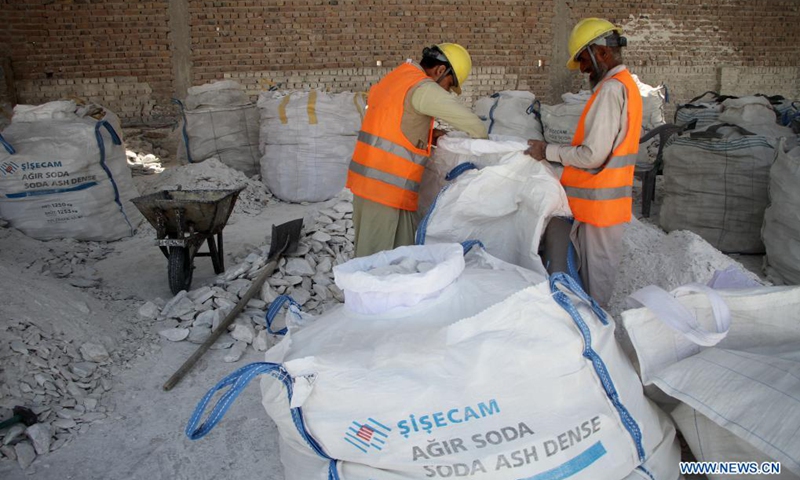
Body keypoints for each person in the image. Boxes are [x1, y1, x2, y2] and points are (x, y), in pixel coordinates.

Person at [526, 18, 643, 306]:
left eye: (583, 59)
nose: (582, 68)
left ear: (601, 52)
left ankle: (598, 333)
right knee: (594, 275)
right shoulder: (623, 86)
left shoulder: (611, 90)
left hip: (600, 205)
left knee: (597, 282)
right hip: (600, 204)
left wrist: (548, 151)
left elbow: (593, 155)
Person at [347, 43, 488, 258]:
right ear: (441, 71)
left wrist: (429, 135)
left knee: (391, 256)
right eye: (450, 86)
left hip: (371, 185)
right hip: (385, 190)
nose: (448, 91)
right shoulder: (422, 87)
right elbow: (474, 125)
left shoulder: (397, 78)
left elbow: (392, 125)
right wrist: (488, 148)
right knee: (378, 264)